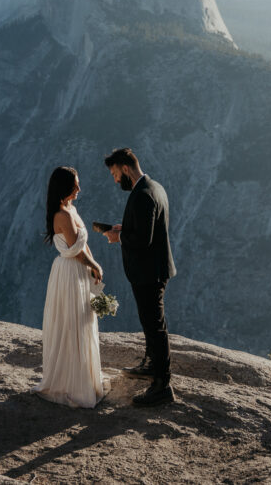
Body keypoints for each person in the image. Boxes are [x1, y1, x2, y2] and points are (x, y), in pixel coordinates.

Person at [103, 148, 176, 406]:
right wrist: (126, 229)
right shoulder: (154, 187)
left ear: (125, 168)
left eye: (114, 174)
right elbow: (149, 229)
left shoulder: (143, 194)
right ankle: (150, 365)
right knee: (150, 322)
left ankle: (162, 385)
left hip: (149, 272)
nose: (114, 180)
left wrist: (118, 237)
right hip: (154, 269)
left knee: (155, 326)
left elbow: (143, 240)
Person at [32, 166, 107, 408]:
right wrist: (95, 265)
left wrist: (93, 266)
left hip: (79, 271)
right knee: (71, 323)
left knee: (81, 321)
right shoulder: (62, 215)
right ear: (64, 187)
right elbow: (75, 251)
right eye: (75, 185)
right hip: (69, 272)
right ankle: (71, 383)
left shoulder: (71, 209)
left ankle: (83, 377)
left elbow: (83, 244)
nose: (79, 189)